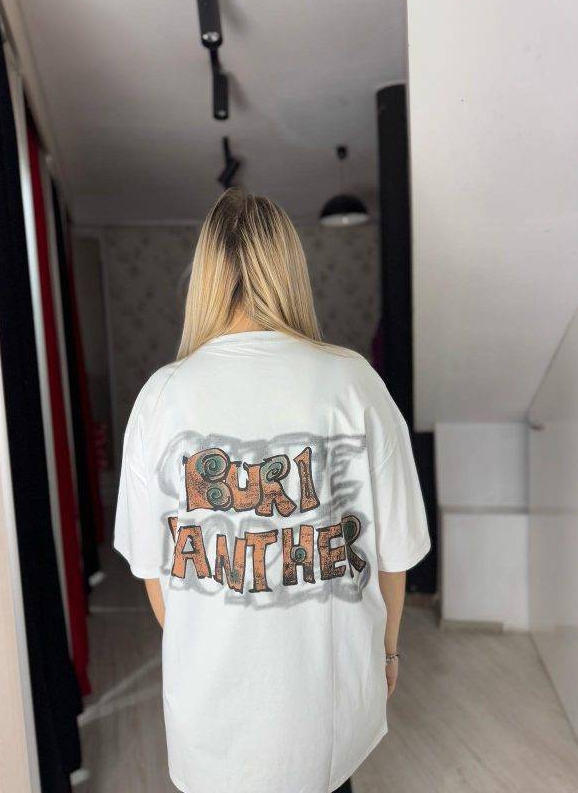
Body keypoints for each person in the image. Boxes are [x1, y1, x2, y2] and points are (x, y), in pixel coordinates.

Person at [114, 188, 430, 793]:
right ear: (290, 268)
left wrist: (215, 650)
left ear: (204, 278)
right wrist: (386, 654)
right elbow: (396, 555)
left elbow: (153, 574)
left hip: (211, 723)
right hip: (325, 716)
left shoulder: (161, 397)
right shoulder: (352, 381)